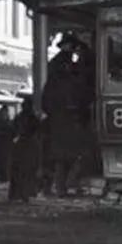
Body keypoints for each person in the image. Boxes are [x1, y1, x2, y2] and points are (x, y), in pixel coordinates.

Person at [42, 32, 93, 197]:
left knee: (62, 155)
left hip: (61, 115)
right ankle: (60, 186)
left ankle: (60, 186)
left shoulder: (61, 64)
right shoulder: (62, 66)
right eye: (72, 46)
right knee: (63, 155)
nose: (73, 50)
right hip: (64, 115)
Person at [9, 96, 41, 202]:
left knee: (19, 170)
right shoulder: (32, 118)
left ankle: (17, 194)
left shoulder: (20, 117)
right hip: (29, 145)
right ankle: (25, 193)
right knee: (27, 170)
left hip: (21, 144)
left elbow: (13, 130)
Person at [0, 105, 14, 183]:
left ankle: (4, 177)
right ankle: (0, 176)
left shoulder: (9, 123)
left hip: (6, 147)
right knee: (0, 163)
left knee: (5, 163)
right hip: (0, 146)